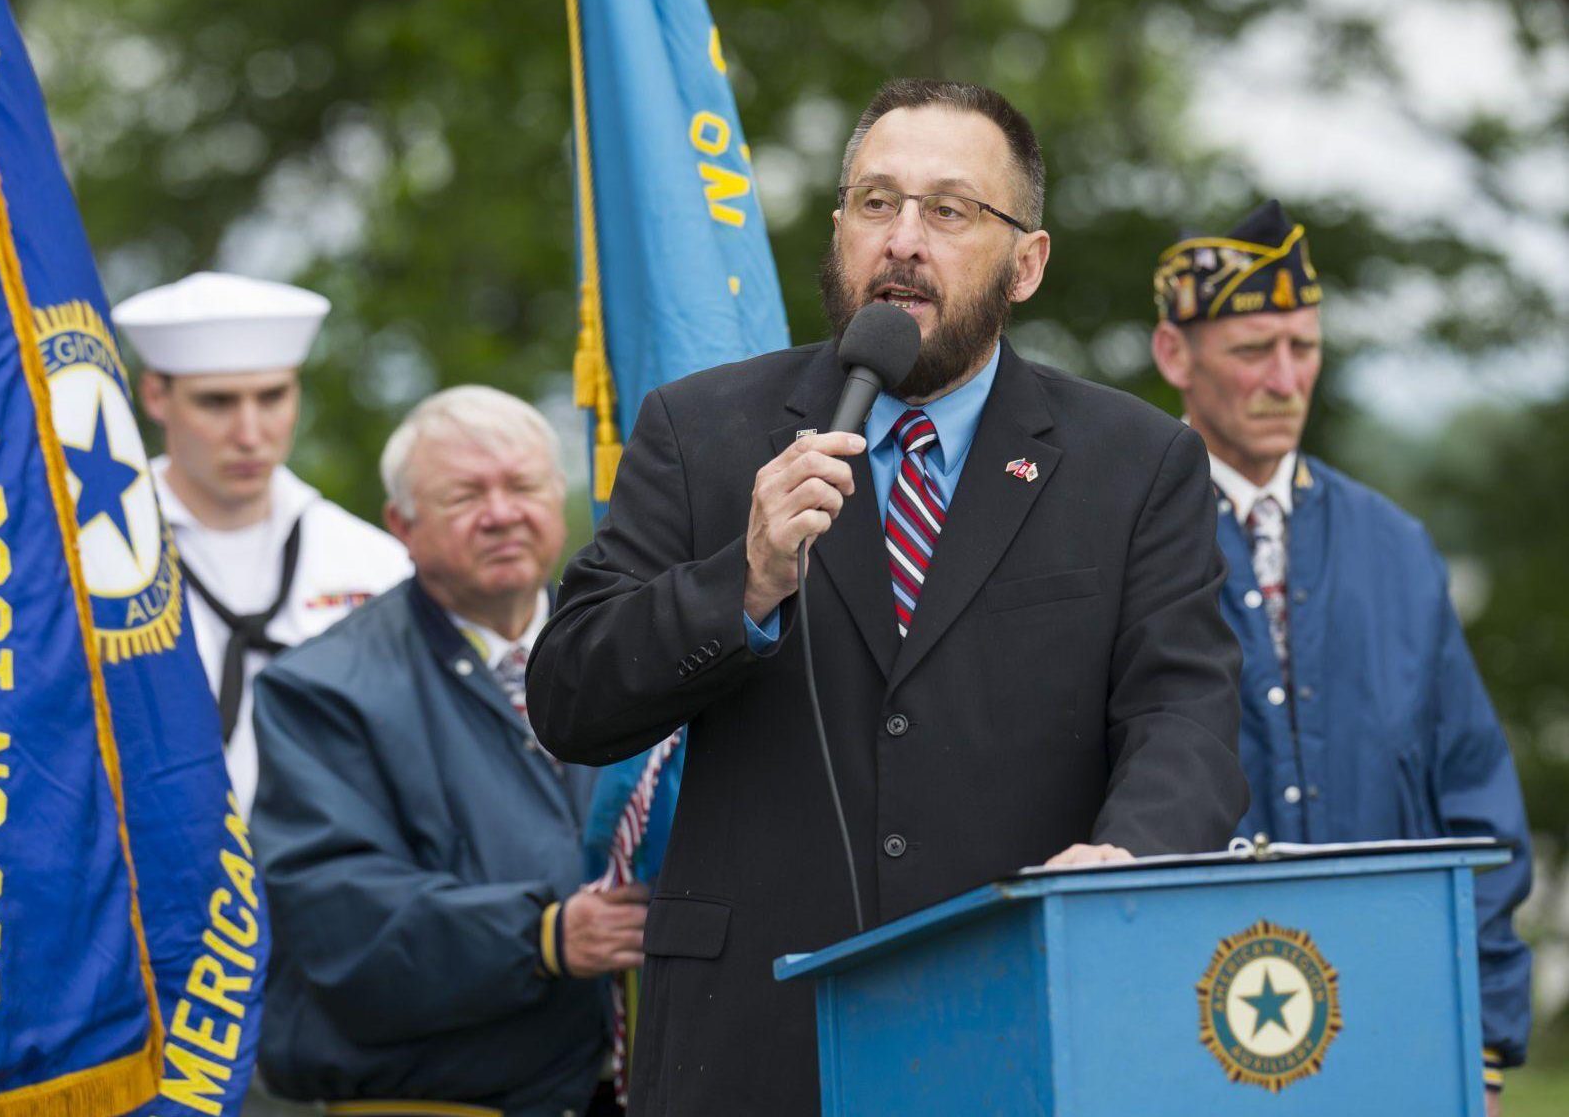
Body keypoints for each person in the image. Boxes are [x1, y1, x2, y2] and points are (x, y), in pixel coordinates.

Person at [527, 78, 1250, 1116]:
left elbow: (1183, 716)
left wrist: (1126, 856)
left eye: (948, 211)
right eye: (875, 203)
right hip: (747, 1043)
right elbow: (567, 698)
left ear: (1025, 263)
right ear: (837, 234)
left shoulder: (1133, 463)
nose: (902, 239)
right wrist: (741, 581)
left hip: (1015, 1022)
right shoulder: (703, 433)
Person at [1150, 200, 1533, 1110]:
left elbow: (1477, 811)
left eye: (1305, 347)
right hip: (1178, 1028)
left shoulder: (1398, 548)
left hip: (1389, 1027)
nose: (1285, 378)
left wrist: (1479, 1031)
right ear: (1176, 355)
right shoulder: (1115, 540)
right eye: (1252, 350)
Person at [250, 385, 646, 1116]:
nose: (501, 513)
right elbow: (337, 919)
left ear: (556, 496)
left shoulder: (633, 654)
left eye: (522, 486)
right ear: (402, 523)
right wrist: (541, 935)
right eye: (466, 495)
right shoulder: (321, 692)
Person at [115, 272, 409, 816]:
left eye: (272, 396)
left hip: (337, 876)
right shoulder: (99, 559)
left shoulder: (375, 564)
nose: (250, 432)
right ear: (156, 395)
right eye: (217, 402)